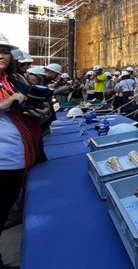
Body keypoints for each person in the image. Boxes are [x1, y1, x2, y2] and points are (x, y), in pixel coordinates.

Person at [0, 33, 48, 269]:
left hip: (16, 159)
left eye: (4, 51)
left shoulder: (10, 82)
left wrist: (38, 110)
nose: (2, 55)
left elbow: (29, 106)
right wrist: (7, 103)